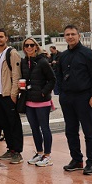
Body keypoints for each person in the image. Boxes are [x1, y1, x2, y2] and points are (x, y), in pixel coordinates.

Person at [58, 25, 92, 175]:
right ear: (64, 37)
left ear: (79, 35)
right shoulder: (63, 56)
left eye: (73, 34)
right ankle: (76, 159)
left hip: (84, 98)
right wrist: (61, 94)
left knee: (88, 131)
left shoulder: (88, 54)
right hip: (67, 98)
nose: (70, 37)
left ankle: (91, 162)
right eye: (67, 34)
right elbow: (58, 75)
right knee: (70, 131)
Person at [20, 37, 56, 167]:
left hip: (42, 102)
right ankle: (39, 152)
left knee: (44, 128)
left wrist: (43, 92)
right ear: (24, 48)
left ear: (36, 47)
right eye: (26, 45)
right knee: (34, 128)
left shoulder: (43, 62)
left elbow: (52, 79)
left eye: (31, 45)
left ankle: (47, 155)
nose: (29, 47)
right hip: (29, 100)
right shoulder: (24, 62)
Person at [0, 28, 23, 163]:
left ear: (6, 38)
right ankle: (10, 149)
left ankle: (18, 151)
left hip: (8, 94)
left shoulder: (12, 53)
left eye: (1, 37)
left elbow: (16, 75)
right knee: (4, 123)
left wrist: (14, 94)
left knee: (14, 123)